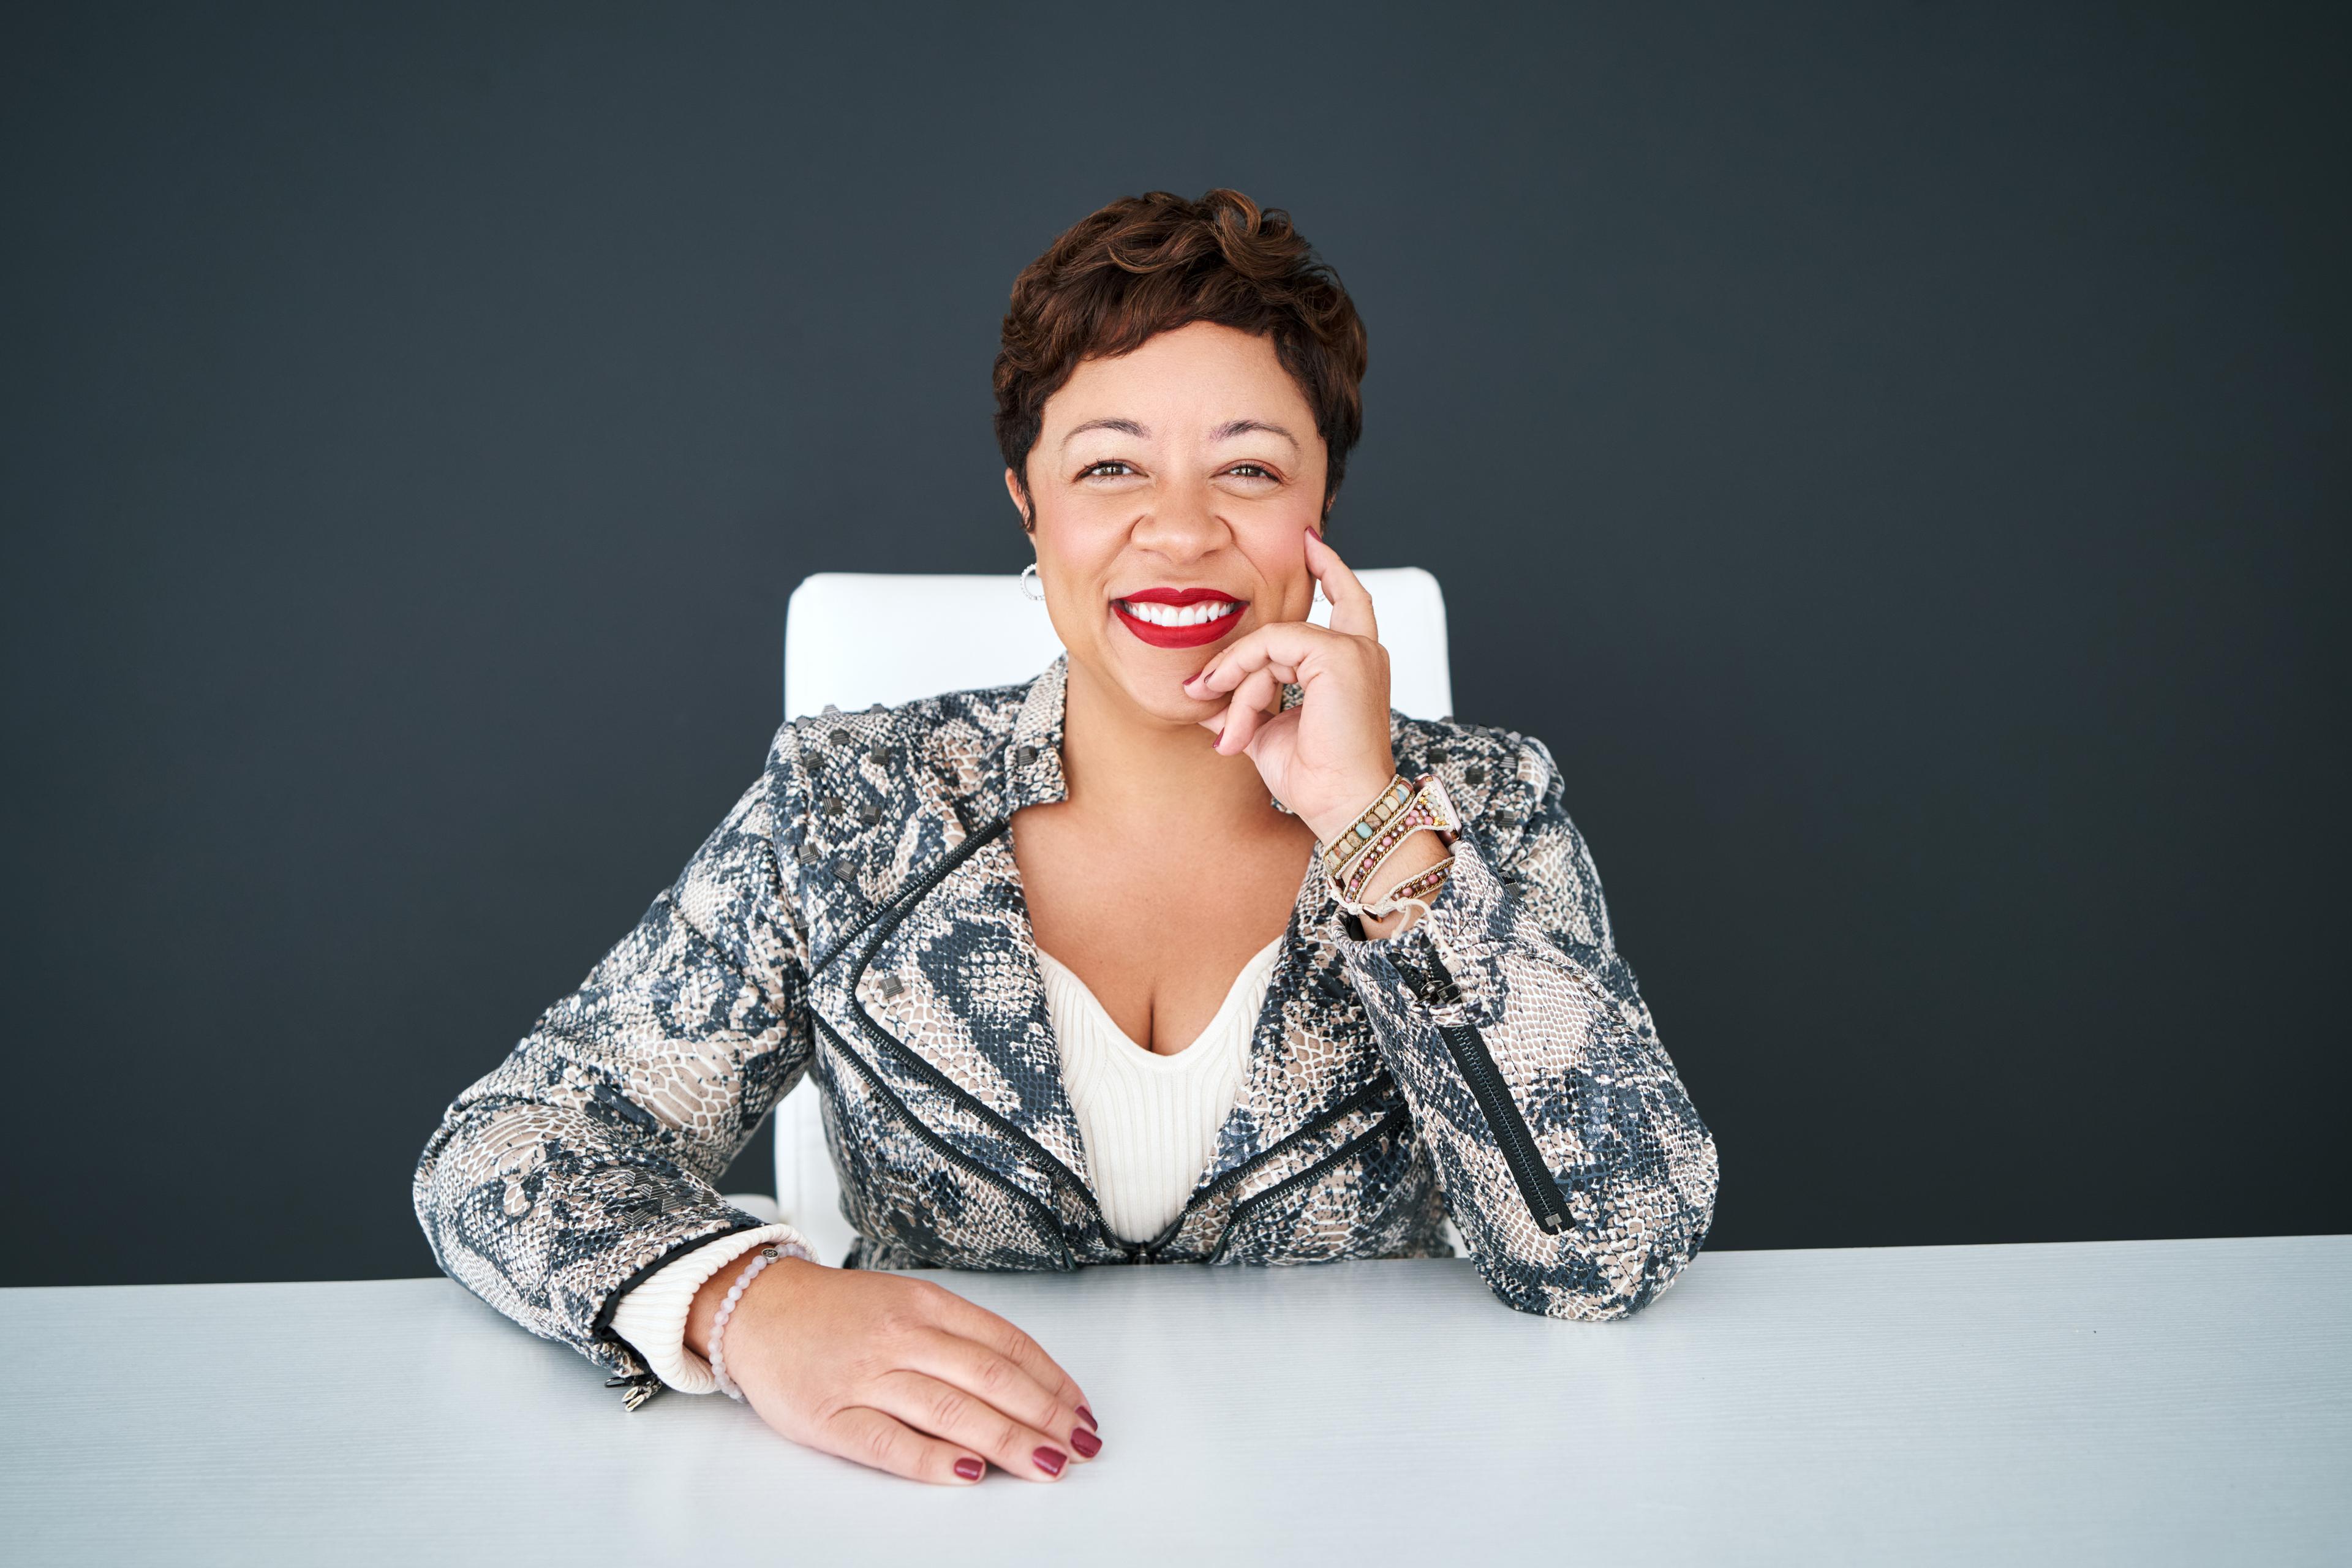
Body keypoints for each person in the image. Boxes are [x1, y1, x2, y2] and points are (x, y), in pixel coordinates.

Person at [415, 188, 1718, 1486]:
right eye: (1110, 466)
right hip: (942, 1517)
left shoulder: (1479, 802)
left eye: (1251, 468)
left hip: (1365, 1493)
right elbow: (507, 1143)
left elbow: (1613, 1244)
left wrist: (1369, 825)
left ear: (1323, 502)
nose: (1182, 529)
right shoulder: (853, 805)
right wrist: (747, 1303)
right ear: (1027, 505)